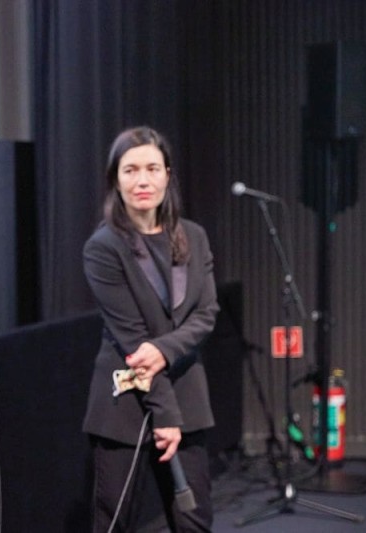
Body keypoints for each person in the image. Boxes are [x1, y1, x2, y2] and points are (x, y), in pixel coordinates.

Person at [82, 126, 219, 532]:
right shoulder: (103, 247)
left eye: (152, 169)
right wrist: (165, 414)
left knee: (194, 522)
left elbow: (206, 313)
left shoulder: (193, 236)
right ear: (116, 179)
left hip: (187, 397)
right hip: (125, 406)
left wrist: (163, 351)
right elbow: (133, 340)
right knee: (115, 523)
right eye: (131, 170)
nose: (142, 180)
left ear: (167, 175)